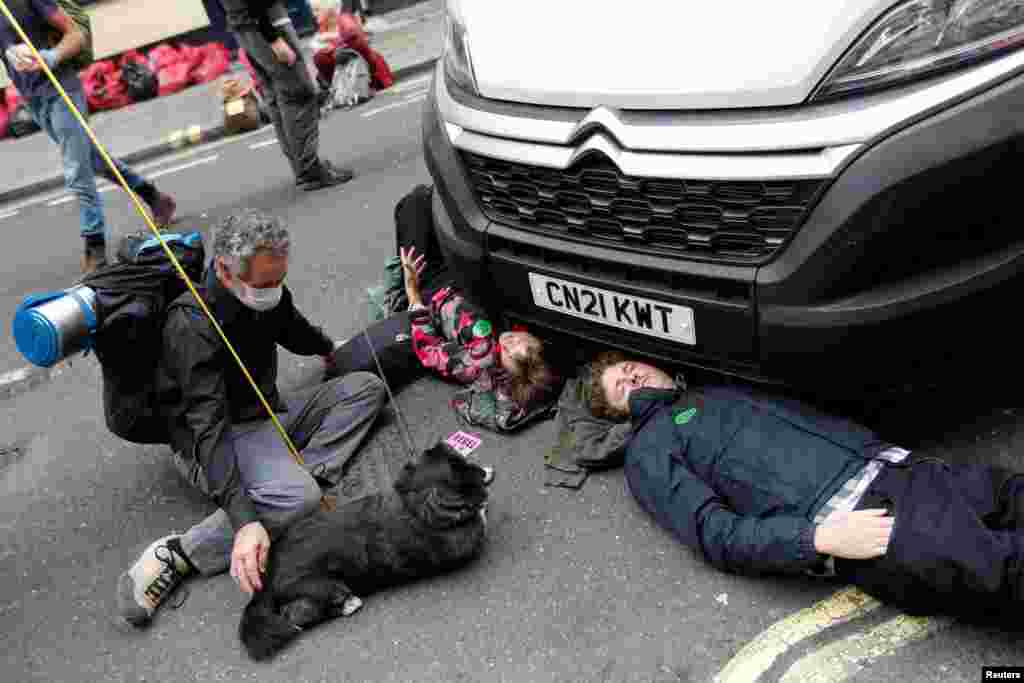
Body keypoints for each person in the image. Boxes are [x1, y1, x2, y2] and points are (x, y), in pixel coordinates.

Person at [589, 350, 1024, 618]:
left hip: (908, 469)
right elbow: (715, 533)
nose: (631, 379)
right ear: (619, 417)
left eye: (628, 368)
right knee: (1007, 568)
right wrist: (817, 538)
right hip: (869, 522)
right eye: (621, 389)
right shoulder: (648, 451)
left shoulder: (714, 387)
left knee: (1012, 494)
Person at [116, 209, 386, 627]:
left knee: (365, 389)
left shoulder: (265, 290)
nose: (274, 291)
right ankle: (181, 552)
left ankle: (294, 484)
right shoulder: (190, 325)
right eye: (265, 284)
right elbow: (208, 428)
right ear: (225, 270)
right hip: (216, 439)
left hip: (267, 415)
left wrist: (328, 347)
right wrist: (244, 523)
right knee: (301, 499)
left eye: (280, 280)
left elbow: (290, 326)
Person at [0, 0, 177, 273]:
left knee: (77, 169)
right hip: (33, 99)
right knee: (93, 160)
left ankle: (95, 247)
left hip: (60, 87)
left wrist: (49, 57)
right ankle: (154, 196)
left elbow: (76, 35)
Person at [398, 245, 560, 432]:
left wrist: (412, 292)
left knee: (410, 240)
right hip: (467, 276)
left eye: (509, 353)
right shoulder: (530, 329)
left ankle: (397, 285)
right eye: (521, 341)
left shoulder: (478, 362)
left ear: (507, 370)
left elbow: (429, 351)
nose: (509, 341)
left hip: (435, 291)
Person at [220, 0, 354, 191]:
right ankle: (309, 170)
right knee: (297, 92)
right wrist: (273, 37)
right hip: (265, 21)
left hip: (242, 24)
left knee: (277, 96)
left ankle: (302, 167)